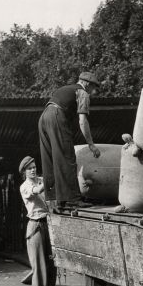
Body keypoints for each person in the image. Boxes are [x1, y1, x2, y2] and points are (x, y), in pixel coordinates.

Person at [38, 71, 101, 210]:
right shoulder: (82, 93)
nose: (94, 92)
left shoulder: (65, 89)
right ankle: (73, 200)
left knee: (50, 159)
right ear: (87, 84)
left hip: (44, 117)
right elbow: (83, 121)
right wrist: (91, 144)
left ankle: (55, 200)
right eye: (94, 88)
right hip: (56, 116)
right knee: (67, 156)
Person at [18, 156, 59, 286]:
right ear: (24, 172)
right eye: (29, 168)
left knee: (51, 265)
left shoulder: (41, 179)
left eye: (34, 167)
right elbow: (37, 191)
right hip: (35, 227)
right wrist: (50, 178)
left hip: (48, 224)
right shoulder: (25, 186)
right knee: (40, 266)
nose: (33, 170)